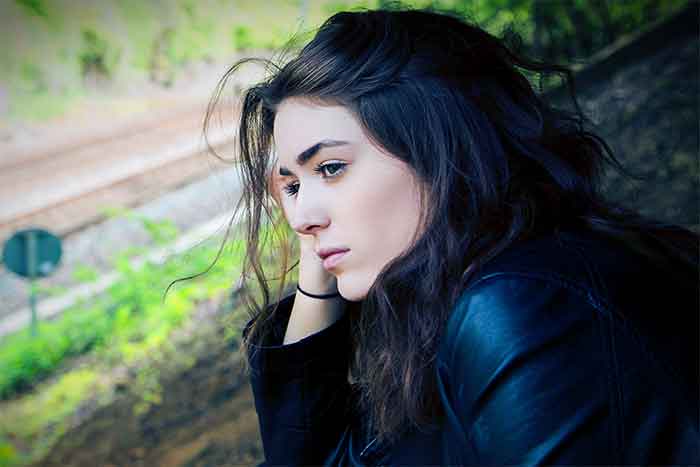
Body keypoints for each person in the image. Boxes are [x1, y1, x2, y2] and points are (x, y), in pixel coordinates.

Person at [200, 5, 699, 465]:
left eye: (331, 168)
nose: (300, 217)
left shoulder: (521, 307)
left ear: (437, 149)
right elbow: (314, 460)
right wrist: (317, 278)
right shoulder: (441, 310)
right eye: (291, 185)